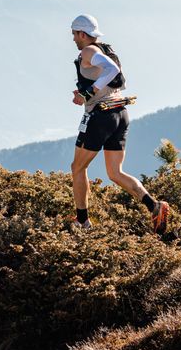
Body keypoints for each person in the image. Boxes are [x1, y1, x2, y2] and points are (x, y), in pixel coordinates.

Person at [68, 14, 170, 234]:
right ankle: (154, 206)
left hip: (100, 116)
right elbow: (111, 75)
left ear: (82, 34)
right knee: (115, 172)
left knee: (77, 167)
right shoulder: (105, 48)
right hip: (119, 114)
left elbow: (112, 70)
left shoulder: (89, 51)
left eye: (74, 34)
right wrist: (87, 94)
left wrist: (89, 92)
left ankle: (83, 222)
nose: (73, 39)